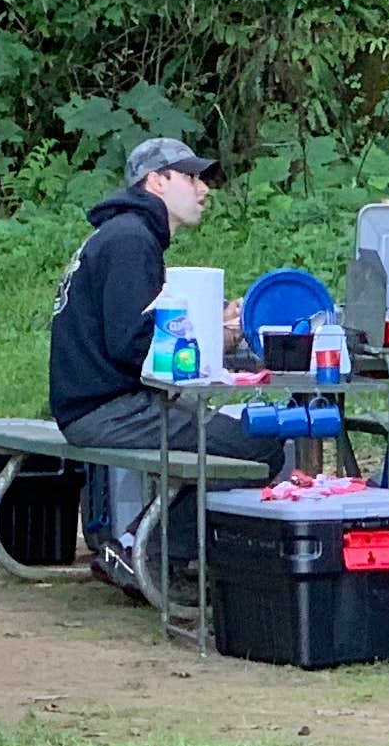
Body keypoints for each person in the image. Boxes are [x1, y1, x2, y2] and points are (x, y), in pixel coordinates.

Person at [48, 137, 253, 596]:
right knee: (255, 445)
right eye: (191, 177)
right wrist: (213, 338)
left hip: (99, 404)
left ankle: (145, 546)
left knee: (238, 437)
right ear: (155, 181)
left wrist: (207, 319)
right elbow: (132, 344)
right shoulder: (130, 241)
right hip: (107, 410)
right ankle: (144, 551)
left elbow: (135, 323)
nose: (204, 189)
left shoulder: (124, 234)